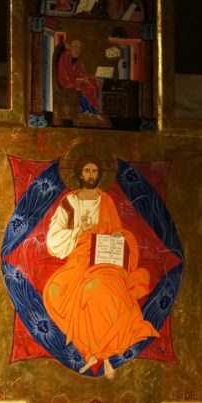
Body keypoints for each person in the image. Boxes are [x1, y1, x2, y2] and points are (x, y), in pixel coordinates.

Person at [43, 156, 158, 378]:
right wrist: (80, 230)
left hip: (103, 260)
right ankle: (91, 350)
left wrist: (118, 235)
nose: (91, 175)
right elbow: (53, 239)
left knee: (94, 290)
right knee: (54, 290)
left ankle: (102, 354)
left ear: (99, 175)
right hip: (77, 261)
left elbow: (116, 230)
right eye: (87, 171)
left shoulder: (106, 201)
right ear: (79, 174)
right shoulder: (70, 202)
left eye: (94, 171)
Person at [56, 39, 102, 115]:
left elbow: (81, 72)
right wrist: (78, 81)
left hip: (74, 81)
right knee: (89, 89)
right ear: (71, 47)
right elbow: (63, 73)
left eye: (79, 47)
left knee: (94, 83)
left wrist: (87, 78)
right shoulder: (65, 56)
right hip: (66, 82)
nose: (78, 49)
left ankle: (90, 111)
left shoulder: (77, 59)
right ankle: (90, 112)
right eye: (76, 46)